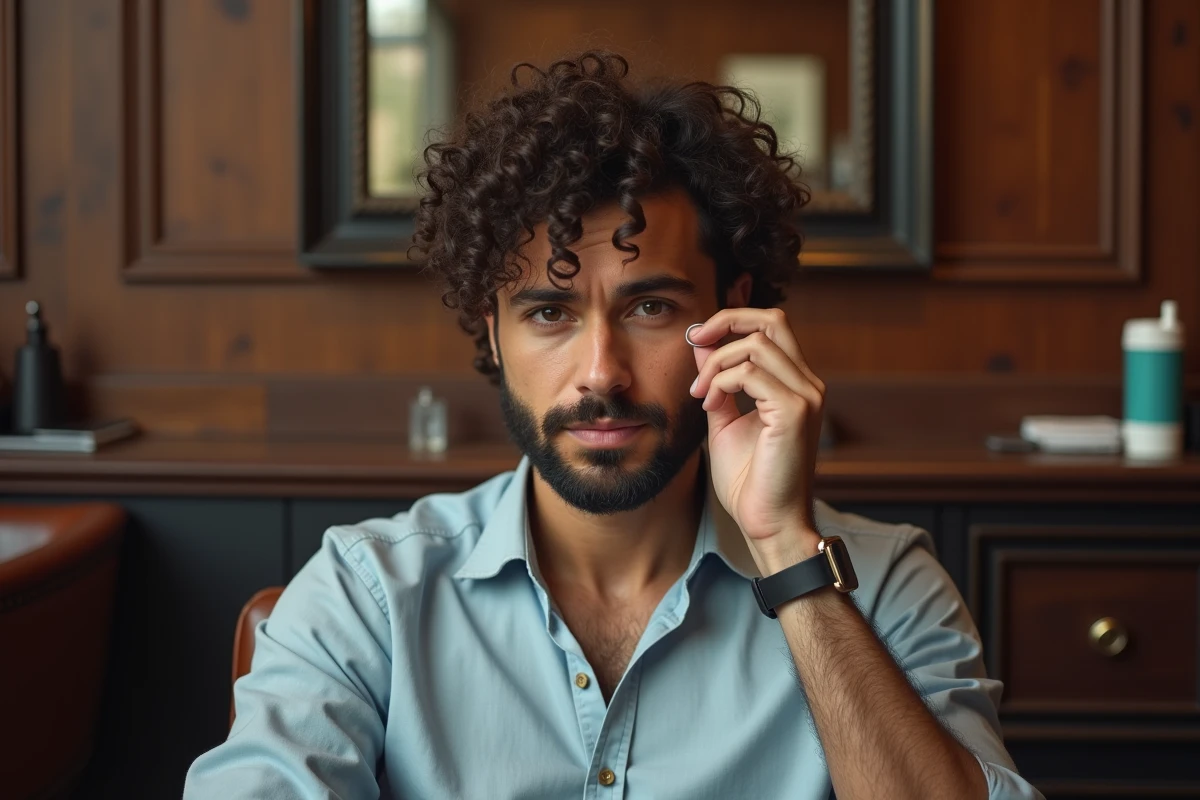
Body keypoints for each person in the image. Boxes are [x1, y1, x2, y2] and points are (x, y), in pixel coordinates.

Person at [185, 51, 1042, 799]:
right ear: (492, 330)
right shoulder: (365, 596)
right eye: (550, 312)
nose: (601, 372)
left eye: (652, 306)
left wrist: (786, 551)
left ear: (734, 317)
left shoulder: (885, 587)